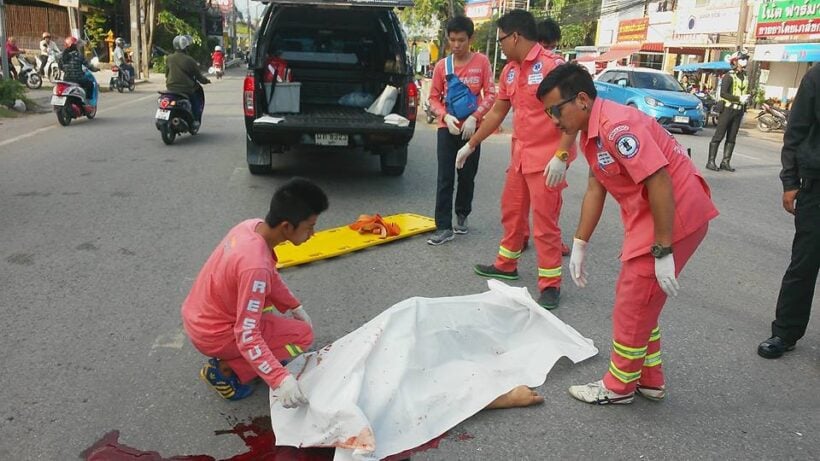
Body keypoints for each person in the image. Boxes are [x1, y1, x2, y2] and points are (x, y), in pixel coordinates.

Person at [535, 63, 719, 405]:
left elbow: (659, 180)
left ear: (582, 100)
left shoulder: (617, 127)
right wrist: (579, 243)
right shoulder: (593, 131)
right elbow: (596, 186)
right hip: (653, 216)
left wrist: (663, 250)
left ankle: (618, 386)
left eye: (556, 110)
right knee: (641, 303)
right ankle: (649, 379)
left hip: (672, 216)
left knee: (632, 305)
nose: (553, 121)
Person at [455, 9, 576, 309]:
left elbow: (574, 114)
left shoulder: (552, 66)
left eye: (501, 40)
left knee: (545, 224)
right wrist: (471, 144)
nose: (500, 46)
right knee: (512, 211)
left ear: (516, 36)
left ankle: (550, 284)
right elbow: (498, 111)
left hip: (548, 159)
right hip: (520, 155)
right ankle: (506, 264)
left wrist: (562, 155)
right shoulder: (510, 70)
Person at [181, 178, 328, 405]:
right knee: (302, 335)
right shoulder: (255, 265)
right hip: (214, 333)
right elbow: (247, 334)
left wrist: (294, 305)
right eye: (309, 227)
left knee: (267, 308)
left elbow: (270, 275)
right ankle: (224, 370)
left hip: (200, 317)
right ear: (287, 227)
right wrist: (281, 380)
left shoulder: (251, 227)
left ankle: (240, 358)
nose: (313, 233)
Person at [757, 63, 820, 359]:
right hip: (817, 187)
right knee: (804, 264)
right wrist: (790, 181)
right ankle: (785, 332)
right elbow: (796, 130)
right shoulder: (817, 75)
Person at [426, 15, 496, 245]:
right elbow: (433, 98)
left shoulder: (482, 62)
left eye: (461, 40)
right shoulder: (441, 66)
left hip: (472, 129)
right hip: (448, 128)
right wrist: (444, 116)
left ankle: (462, 213)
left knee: (467, 175)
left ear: (470, 39)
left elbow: (492, 94)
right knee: (445, 177)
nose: (456, 45)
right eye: (452, 40)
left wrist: (476, 117)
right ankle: (443, 227)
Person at [707, 52, 750, 172]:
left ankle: (725, 162)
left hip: (738, 111)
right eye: (742, 59)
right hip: (727, 110)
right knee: (719, 136)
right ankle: (710, 161)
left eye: (745, 59)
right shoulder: (729, 76)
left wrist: (745, 101)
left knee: (732, 137)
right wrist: (738, 98)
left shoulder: (744, 76)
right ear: (735, 61)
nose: (744, 61)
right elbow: (723, 93)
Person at [166, 34, 210, 129]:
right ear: (186, 46)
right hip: (186, 89)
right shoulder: (190, 60)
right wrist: (206, 81)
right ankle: (195, 120)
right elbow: (199, 77)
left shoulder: (169, 58)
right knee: (195, 101)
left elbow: (167, 73)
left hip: (170, 88)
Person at [58, 37, 95, 104]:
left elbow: (60, 67)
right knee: (90, 84)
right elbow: (88, 65)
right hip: (78, 79)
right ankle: (88, 102)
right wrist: (95, 69)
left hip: (66, 80)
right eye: (76, 45)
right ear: (74, 46)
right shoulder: (78, 55)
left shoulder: (62, 56)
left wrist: (67, 70)